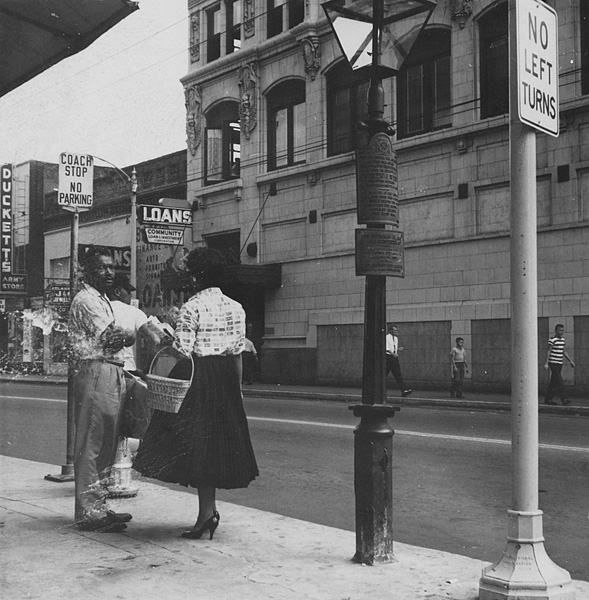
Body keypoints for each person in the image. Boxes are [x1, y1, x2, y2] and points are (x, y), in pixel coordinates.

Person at [133, 247, 259, 540]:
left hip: (199, 376)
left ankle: (207, 514)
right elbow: (237, 352)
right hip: (226, 376)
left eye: (190, 273)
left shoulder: (192, 307)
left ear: (198, 276)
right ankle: (207, 513)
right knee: (215, 446)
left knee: (196, 444)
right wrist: (236, 390)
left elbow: (182, 351)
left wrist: (168, 328)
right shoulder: (236, 307)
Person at [68, 247, 136, 532]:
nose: (109, 273)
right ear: (88, 270)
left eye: (111, 268)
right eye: (103, 268)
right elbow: (110, 337)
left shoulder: (101, 299)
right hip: (95, 369)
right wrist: (133, 334)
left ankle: (99, 505)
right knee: (93, 442)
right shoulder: (86, 300)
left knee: (107, 442)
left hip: (109, 370)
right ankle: (88, 512)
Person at [107, 273, 153, 439]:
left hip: (106, 373)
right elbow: (152, 338)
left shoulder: (101, 308)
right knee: (132, 422)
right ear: (118, 291)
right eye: (128, 292)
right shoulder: (134, 312)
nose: (131, 296)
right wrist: (147, 368)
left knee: (110, 422)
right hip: (129, 373)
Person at [544, 323, 575, 406]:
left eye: (562, 330)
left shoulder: (563, 340)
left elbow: (564, 351)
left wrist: (570, 361)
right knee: (559, 381)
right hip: (553, 363)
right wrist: (546, 363)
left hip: (559, 363)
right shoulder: (552, 340)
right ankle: (564, 399)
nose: (561, 332)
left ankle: (548, 399)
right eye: (560, 330)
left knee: (553, 382)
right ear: (556, 331)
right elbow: (549, 351)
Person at [385, 324, 412, 397]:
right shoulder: (386, 337)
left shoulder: (396, 338)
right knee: (384, 375)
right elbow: (386, 348)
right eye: (395, 330)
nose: (396, 332)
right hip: (388, 357)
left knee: (398, 374)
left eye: (396, 330)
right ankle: (381, 391)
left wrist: (397, 349)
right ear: (390, 331)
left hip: (394, 358)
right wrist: (393, 354)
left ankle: (404, 390)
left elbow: (392, 348)